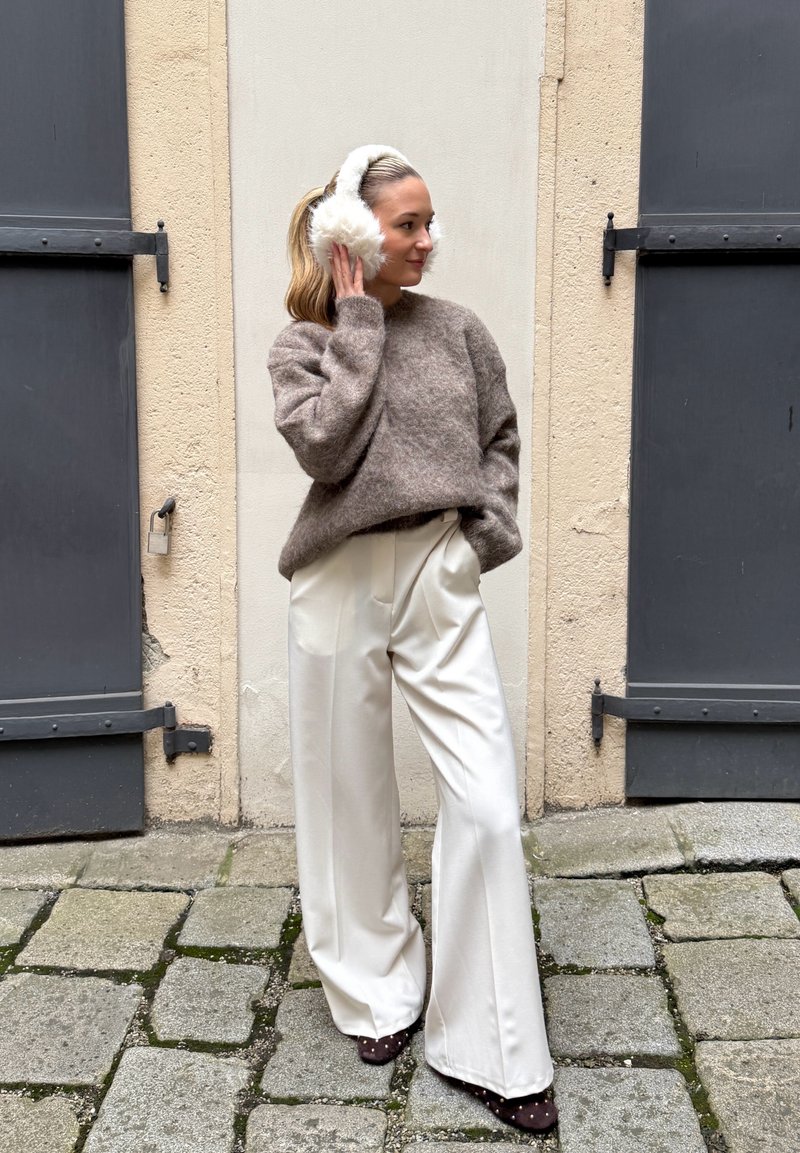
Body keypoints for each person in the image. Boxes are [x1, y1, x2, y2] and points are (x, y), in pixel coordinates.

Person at [268, 145, 557, 1132]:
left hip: (436, 567)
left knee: (484, 797)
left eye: (429, 222)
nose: (427, 241)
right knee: (347, 793)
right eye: (407, 225)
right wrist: (353, 319)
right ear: (353, 234)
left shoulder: (460, 333)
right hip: (339, 575)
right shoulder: (302, 344)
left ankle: (496, 1047)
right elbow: (325, 443)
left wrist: (482, 538)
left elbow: (499, 442)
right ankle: (374, 990)